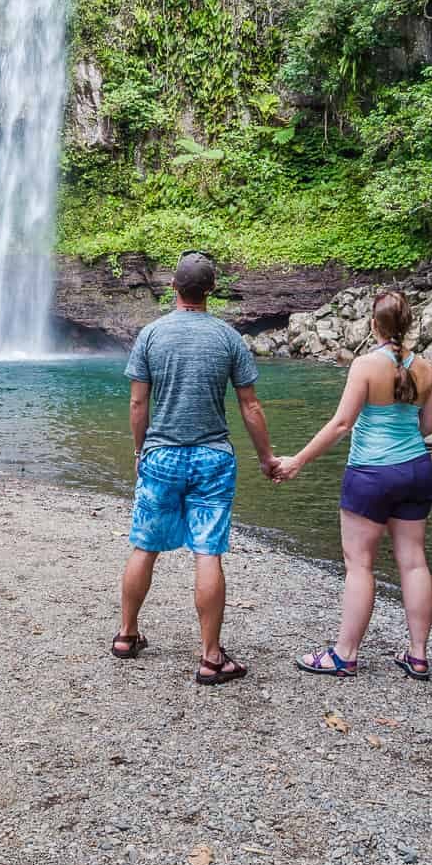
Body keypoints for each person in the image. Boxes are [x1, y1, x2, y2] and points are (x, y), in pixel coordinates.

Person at [113, 250, 279, 685]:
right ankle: (210, 657)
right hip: (211, 458)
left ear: (172, 288)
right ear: (210, 291)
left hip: (161, 456)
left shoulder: (150, 335)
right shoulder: (228, 338)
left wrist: (140, 451)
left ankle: (127, 635)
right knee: (207, 551)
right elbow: (250, 405)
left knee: (144, 544)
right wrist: (266, 458)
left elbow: (137, 401)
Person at [267, 289, 432, 679]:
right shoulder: (427, 369)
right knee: (413, 561)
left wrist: (298, 460)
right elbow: (428, 427)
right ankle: (417, 656)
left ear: (373, 325)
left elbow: (342, 423)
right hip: (416, 470)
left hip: (371, 474)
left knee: (359, 565)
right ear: (408, 324)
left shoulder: (365, 365)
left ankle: (345, 655)